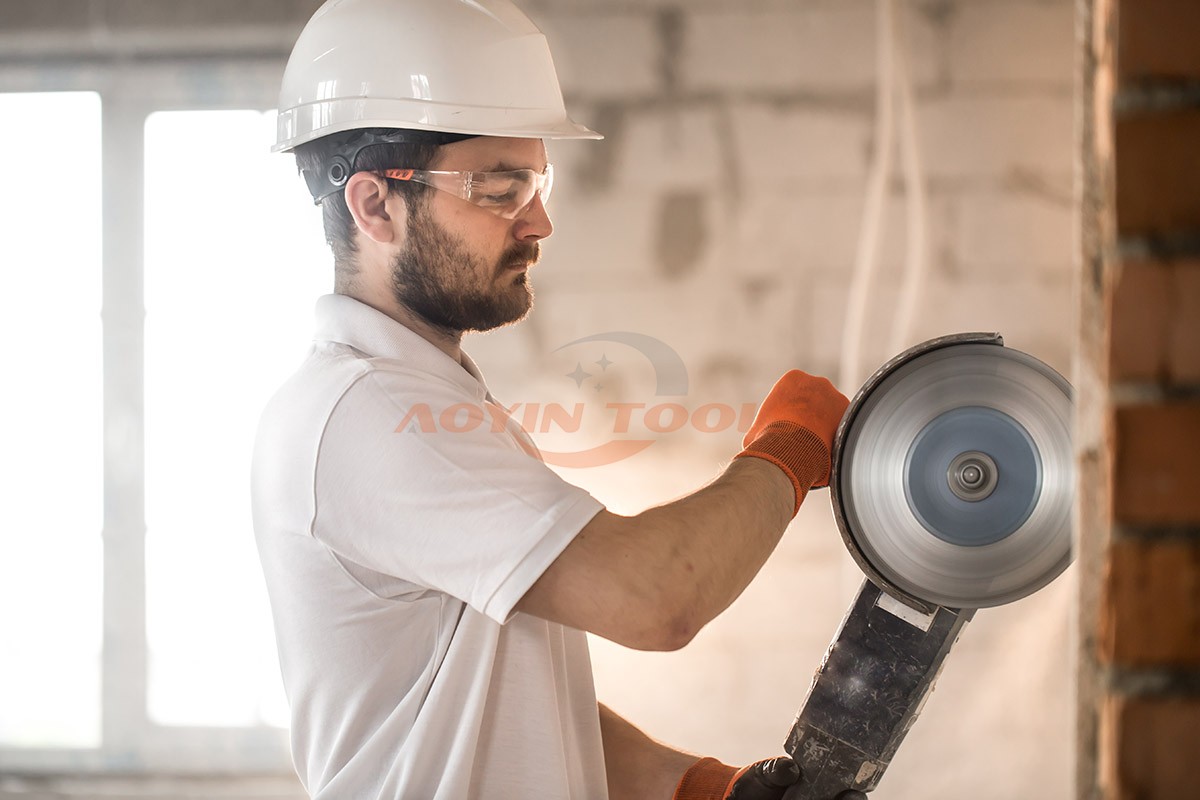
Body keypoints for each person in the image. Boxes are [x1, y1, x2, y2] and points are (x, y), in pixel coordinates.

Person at [252, 0, 850, 798]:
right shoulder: (370, 415)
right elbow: (656, 597)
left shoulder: (426, 405)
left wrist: (701, 787)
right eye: (500, 187)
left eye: (539, 181)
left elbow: (500, 704)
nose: (540, 220)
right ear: (374, 205)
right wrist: (790, 447)